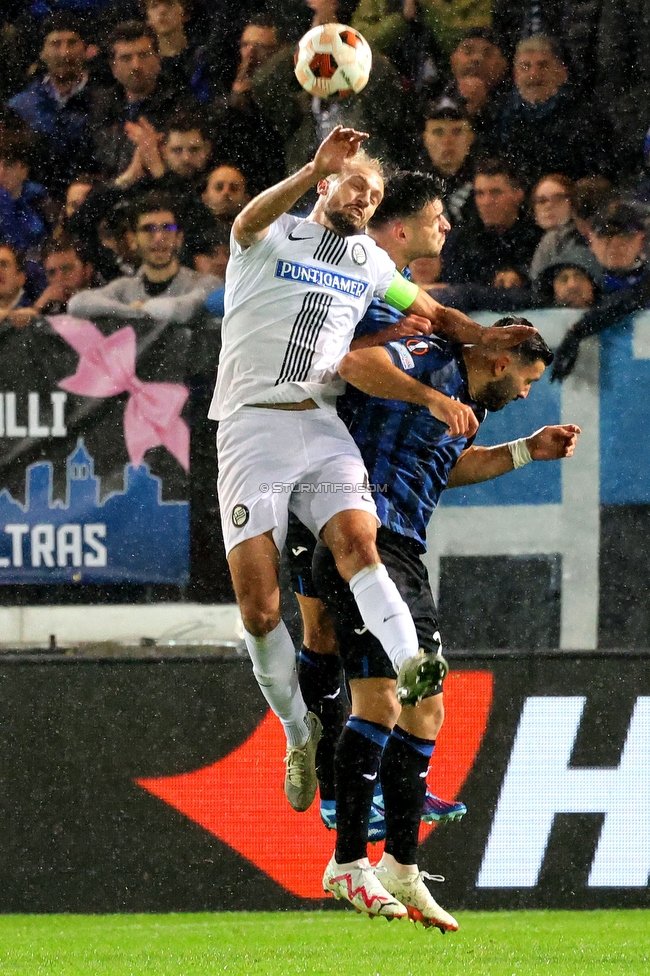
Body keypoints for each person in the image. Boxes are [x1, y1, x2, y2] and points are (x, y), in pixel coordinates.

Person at [207, 125, 535, 823]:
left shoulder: (365, 262)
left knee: (362, 542)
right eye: (355, 183)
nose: (365, 198)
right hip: (250, 425)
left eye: (376, 191)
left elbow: (436, 313)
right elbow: (243, 220)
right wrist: (310, 168)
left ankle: (411, 659)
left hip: (319, 425)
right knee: (262, 613)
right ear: (327, 183)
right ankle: (299, 736)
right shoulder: (273, 236)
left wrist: (485, 336)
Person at [318, 319, 578, 925]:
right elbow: (352, 366)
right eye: (526, 379)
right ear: (500, 358)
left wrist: (524, 450)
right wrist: (431, 396)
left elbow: (444, 468)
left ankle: (400, 869)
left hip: (403, 544)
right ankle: (349, 860)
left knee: (423, 708)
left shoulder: (471, 405)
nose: (525, 394)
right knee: (381, 700)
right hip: (363, 531)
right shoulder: (430, 359)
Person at [68, 191, 219, 325]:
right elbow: (78, 304)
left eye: (168, 228)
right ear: (132, 240)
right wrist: (132, 311)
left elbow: (178, 310)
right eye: (149, 229)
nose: (159, 237)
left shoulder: (206, 284)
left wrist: (139, 308)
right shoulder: (124, 288)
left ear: (179, 238)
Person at [493, 34, 613, 184]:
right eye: (525, 66)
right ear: (515, 76)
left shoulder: (584, 117)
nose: (534, 74)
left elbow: (599, 174)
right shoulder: (501, 116)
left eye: (543, 65)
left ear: (562, 73)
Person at [7, 13, 97, 198]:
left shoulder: (105, 100)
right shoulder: (21, 106)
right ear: (42, 52)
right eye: (56, 44)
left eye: (72, 43)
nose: (64, 53)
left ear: (85, 49)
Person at [91, 20, 187, 177]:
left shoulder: (179, 103)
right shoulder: (101, 106)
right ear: (113, 67)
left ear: (158, 59)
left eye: (143, 55)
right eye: (126, 58)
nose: (136, 66)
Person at [440, 156, 542, 286]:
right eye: (480, 193)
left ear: (518, 194)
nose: (486, 202)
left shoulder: (538, 239)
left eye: (496, 192)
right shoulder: (459, 241)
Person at [418, 97, 477, 226]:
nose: (447, 141)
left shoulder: (485, 185)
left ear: (471, 137)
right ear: (425, 138)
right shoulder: (414, 187)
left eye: (457, 132)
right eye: (438, 132)